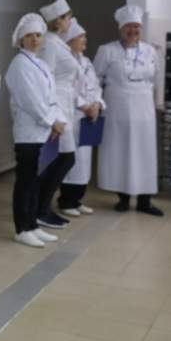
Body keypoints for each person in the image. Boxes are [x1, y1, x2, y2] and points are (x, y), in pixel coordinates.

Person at [94, 5, 163, 216]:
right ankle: (122, 198)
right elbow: (94, 80)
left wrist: (158, 103)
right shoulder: (107, 50)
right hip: (118, 109)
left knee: (144, 153)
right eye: (128, 26)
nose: (133, 30)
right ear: (121, 28)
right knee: (120, 152)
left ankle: (145, 201)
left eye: (136, 26)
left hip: (144, 109)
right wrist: (96, 102)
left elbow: (158, 80)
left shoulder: (151, 51)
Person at [4, 13, 66, 248]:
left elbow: (52, 96)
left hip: (43, 131)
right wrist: (51, 121)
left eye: (38, 35)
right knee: (26, 180)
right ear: (21, 39)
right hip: (28, 133)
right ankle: (22, 228)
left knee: (35, 181)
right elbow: (31, 101)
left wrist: (59, 120)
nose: (34, 39)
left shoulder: (40, 64)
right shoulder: (19, 65)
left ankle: (32, 225)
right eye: (29, 35)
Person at [36, 0, 77, 230]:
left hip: (64, 105)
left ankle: (43, 207)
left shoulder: (57, 42)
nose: (71, 21)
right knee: (63, 158)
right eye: (68, 17)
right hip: (57, 106)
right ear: (59, 20)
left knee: (63, 158)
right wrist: (54, 117)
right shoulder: (50, 44)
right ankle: (41, 209)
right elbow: (46, 78)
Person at [58, 18, 104, 217]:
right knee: (72, 161)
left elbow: (96, 86)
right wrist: (84, 105)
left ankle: (77, 200)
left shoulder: (86, 62)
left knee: (85, 162)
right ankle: (66, 201)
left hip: (88, 118)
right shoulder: (65, 62)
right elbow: (66, 89)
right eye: (80, 37)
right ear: (69, 40)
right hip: (74, 116)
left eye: (84, 36)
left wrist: (97, 104)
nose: (84, 40)